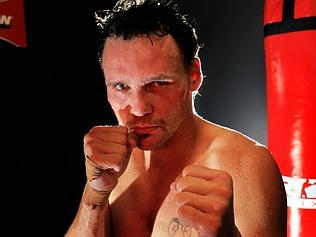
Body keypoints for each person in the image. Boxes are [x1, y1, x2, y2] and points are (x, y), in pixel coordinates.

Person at [65, 0, 287, 236]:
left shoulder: (245, 164)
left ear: (194, 76)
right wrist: (95, 196)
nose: (139, 109)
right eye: (121, 86)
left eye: (159, 83)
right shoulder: (111, 162)